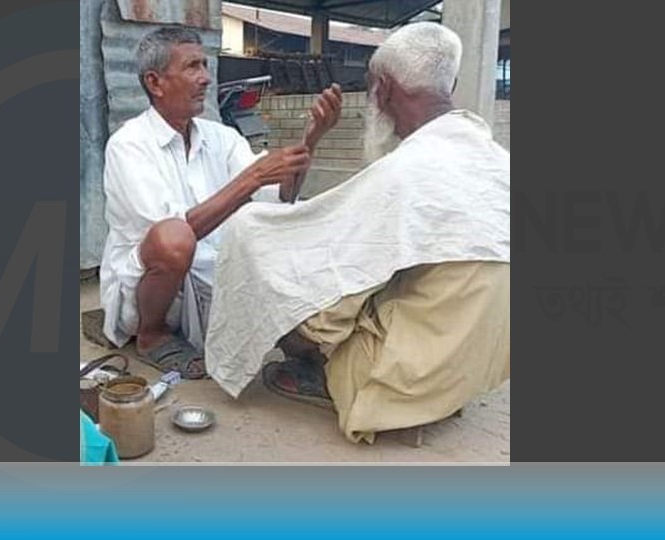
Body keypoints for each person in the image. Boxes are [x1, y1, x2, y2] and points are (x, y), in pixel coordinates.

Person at [205, 22, 511, 443]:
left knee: (275, 265)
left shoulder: (406, 171)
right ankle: (435, 392)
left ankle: (346, 386)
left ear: (383, 89)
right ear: (451, 85)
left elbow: (329, 309)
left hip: (403, 375)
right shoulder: (499, 163)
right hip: (475, 366)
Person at [99, 27, 342, 378]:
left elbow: (278, 200)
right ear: (155, 83)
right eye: (192, 67)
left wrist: (311, 140)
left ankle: (296, 346)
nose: (205, 78)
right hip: (153, 292)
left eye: (204, 65)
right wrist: (252, 178)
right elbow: (173, 235)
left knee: (286, 234)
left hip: (213, 274)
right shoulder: (128, 145)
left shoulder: (222, 138)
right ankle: (152, 336)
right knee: (173, 239)